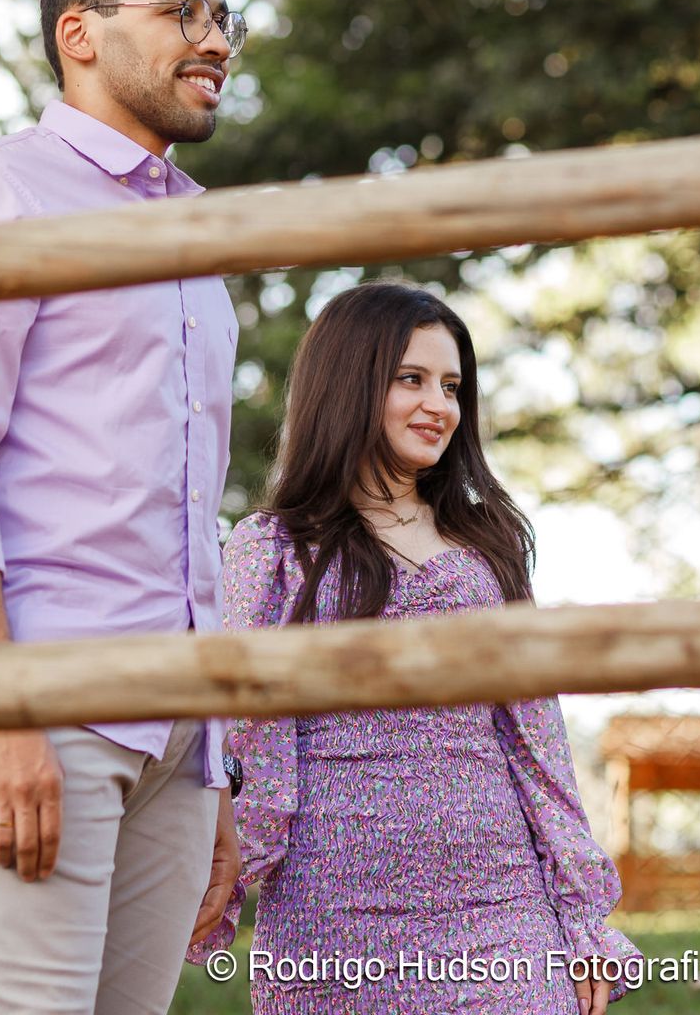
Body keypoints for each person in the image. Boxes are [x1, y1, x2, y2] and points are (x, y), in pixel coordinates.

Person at [0, 0, 247, 1014]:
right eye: (181, 11)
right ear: (81, 33)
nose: (214, 38)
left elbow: (195, 511)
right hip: (39, 700)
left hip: (176, 731)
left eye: (223, 17)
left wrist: (213, 766)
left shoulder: (200, 240)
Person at [191, 281, 640, 1014]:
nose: (440, 405)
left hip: (502, 911)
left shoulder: (486, 546)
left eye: (453, 386)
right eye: (412, 379)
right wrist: (217, 875)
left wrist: (583, 921)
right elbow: (241, 735)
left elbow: (536, 739)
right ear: (349, 382)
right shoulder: (272, 549)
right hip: (329, 920)